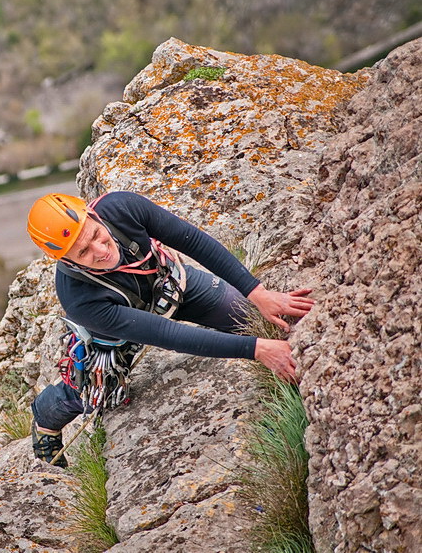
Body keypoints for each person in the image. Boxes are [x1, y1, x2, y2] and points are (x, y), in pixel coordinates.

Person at [26, 191, 315, 467]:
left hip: (168, 284)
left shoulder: (122, 208)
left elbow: (194, 242)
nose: (101, 251)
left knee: (250, 315)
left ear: (92, 214)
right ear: (65, 260)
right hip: (114, 337)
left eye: (96, 235)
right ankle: (45, 415)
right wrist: (257, 349)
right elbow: (167, 334)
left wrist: (258, 293)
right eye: (84, 252)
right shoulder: (79, 298)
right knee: (89, 390)